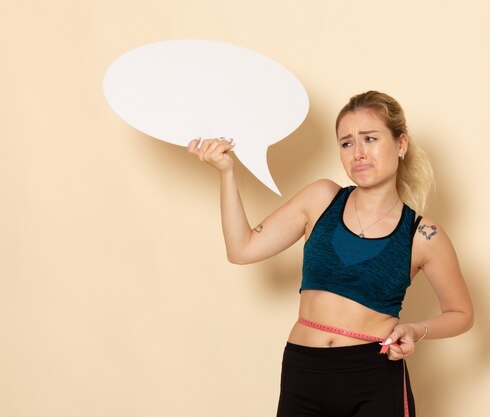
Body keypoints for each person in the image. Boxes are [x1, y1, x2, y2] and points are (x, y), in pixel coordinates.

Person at [187, 91, 473, 417]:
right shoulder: (321, 198)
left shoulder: (423, 235)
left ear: (401, 144)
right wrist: (227, 173)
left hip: (374, 375)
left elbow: (461, 313)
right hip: (304, 371)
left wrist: (415, 330)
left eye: (370, 138)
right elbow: (242, 249)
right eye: (347, 143)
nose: (358, 152)